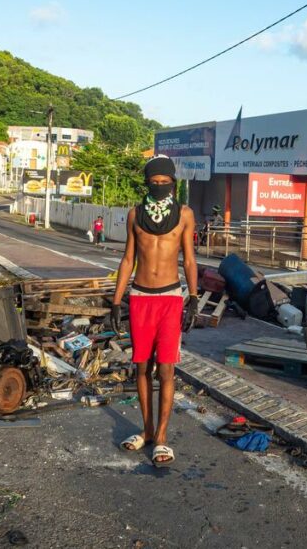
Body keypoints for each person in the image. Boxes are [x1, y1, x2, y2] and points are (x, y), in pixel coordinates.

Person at [111, 155, 198, 467]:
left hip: (171, 298)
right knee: (142, 367)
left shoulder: (185, 215)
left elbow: (189, 259)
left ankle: (161, 437)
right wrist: (116, 300)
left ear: (173, 183)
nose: (159, 186)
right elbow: (127, 260)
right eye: (154, 182)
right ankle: (146, 431)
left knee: (166, 369)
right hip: (140, 296)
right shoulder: (135, 215)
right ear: (147, 183)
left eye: (165, 182)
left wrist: (194, 297)